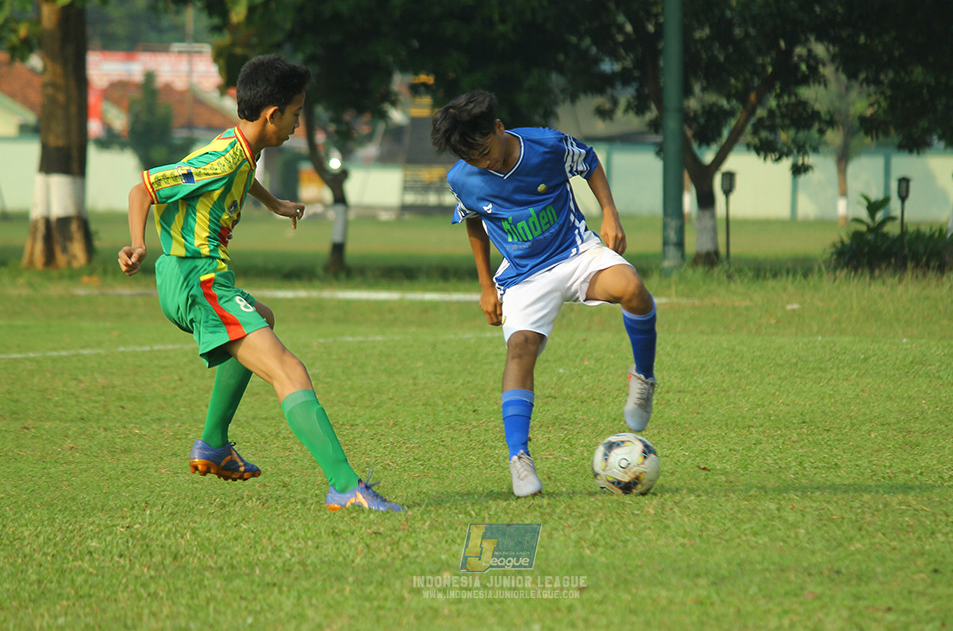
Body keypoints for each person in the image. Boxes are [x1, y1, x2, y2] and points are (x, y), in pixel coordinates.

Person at [117, 54, 403, 512]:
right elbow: (143, 188)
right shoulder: (222, 157)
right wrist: (137, 245)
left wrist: (275, 204)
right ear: (273, 115)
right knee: (289, 370)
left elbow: (241, 176)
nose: (297, 123)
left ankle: (213, 444)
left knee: (262, 319)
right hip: (198, 280)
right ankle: (345, 486)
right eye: (296, 113)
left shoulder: (242, 149)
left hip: (197, 279)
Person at [430, 90, 658, 498]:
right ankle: (519, 458)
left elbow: (588, 161)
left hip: (576, 253)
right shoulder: (461, 178)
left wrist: (609, 212)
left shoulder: (546, 145)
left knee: (633, 290)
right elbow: (473, 222)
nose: (485, 162)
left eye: (486, 150)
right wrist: (485, 286)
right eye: (473, 159)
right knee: (520, 349)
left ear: (499, 128)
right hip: (523, 276)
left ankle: (643, 378)